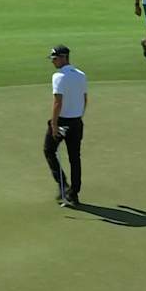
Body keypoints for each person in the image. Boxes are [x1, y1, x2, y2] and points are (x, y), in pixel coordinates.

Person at [43, 45, 88, 206]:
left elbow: (57, 102)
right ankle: (74, 193)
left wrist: (54, 124)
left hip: (62, 122)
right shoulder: (81, 75)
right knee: (75, 157)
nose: (53, 62)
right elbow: (85, 99)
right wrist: (78, 116)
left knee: (49, 150)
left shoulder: (58, 76)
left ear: (64, 58)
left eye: (55, 59)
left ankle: (63, 185)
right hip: (77, 121)